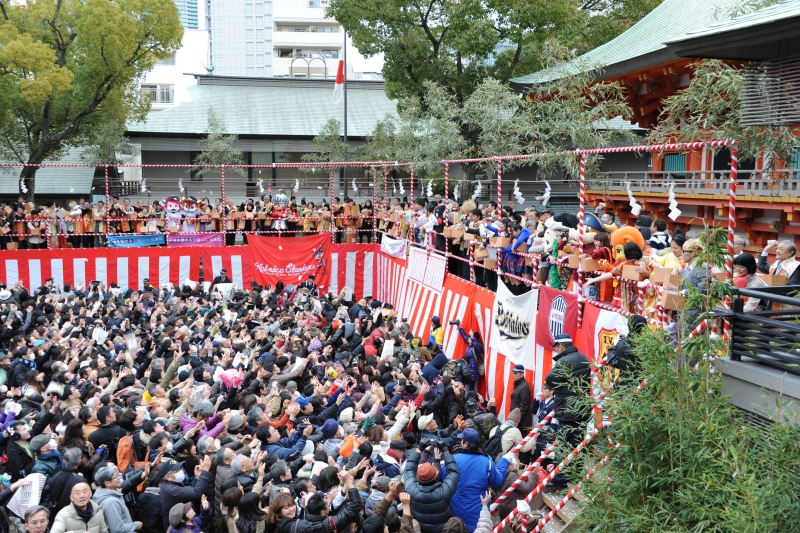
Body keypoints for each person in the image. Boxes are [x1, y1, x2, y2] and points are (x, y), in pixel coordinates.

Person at [449, 428, 511, 531]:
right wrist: (504, 460)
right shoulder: (487, 461)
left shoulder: (452, 460)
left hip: (456, 510)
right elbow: (497, 481)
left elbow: (443, 480)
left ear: (465, 444)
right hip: (478, 511)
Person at [545, 334, 590, 448]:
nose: (555, 349)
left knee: (564, 449)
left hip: (567, 410)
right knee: (579, 448)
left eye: (555, 346)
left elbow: (549, 379)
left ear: (561, 347)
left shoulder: (563, 361)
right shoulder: (584, 358)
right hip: (582, 410)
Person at [403, 446, 460, 533]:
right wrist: (446, 452)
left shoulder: (411, 489)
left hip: (421, 529)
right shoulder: (444, 491)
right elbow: (453, 472)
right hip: (443, 529)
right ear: (436, 476)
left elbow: (409, 469)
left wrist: (419, 449)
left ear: (418, 477)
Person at [94, 465, 143, 533]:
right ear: (107, 483)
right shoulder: (110, 503)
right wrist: (135, 525)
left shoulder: (114, 492)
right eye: (116, 476)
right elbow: (117, 529)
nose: (119, 478)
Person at [509, 364, 532, 430]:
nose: (514, 375)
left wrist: (516, 420)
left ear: (522, 374)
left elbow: (523, 406)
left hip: (521, 423)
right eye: (513, 373)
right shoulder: (519, 384)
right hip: (517, 421)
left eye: (516, 373)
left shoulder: (524, 387)